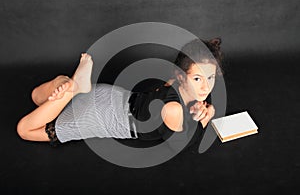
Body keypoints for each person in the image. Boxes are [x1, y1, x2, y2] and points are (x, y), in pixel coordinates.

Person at [16, 38, 224, 148]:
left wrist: (202, 104)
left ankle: (68, 83)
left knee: (36, 96)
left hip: (107, 94)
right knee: (24, 130)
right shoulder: (173, 110)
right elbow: (181, 144)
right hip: (95, 117)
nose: (206, 87)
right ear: (181, 76)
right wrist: (205, 119)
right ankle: (73, 89)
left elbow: (197, 94)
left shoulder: (172, 82)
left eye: (211, 78)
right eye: (197, 79)